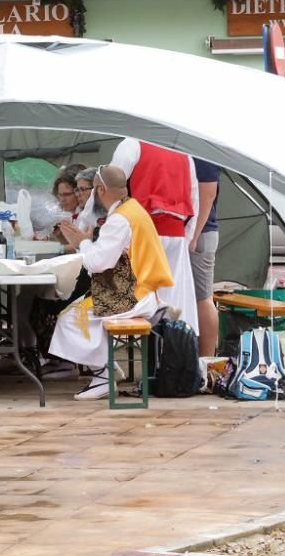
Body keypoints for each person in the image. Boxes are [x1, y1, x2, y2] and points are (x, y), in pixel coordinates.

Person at [49, 165, 174, 400]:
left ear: (100, 189)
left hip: (133, 296)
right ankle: (106, 368)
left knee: (68, 319)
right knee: (77, 312)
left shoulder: (119, 220)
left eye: (90, 190)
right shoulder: (133, 208)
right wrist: (85, 241)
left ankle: (102, 376)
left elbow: (97, 263)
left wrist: (82, 243)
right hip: (143, 290)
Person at [104, 137, 200, 337]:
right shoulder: (185, 154)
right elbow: (194, 199)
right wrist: (187, 238)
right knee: (175, 301)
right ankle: (173, 355)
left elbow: (109, 188)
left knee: (141, 300)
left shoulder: (131, 144)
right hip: (176, 235)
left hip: (144, 233)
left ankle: (153, 354)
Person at [190, 158, 221, 356]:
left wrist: (194, 235)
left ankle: (207, 362)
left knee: (203, 298)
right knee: (197, 298)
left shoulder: (201, 154)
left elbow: (208, 194)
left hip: (200, 235)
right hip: (195, 233)